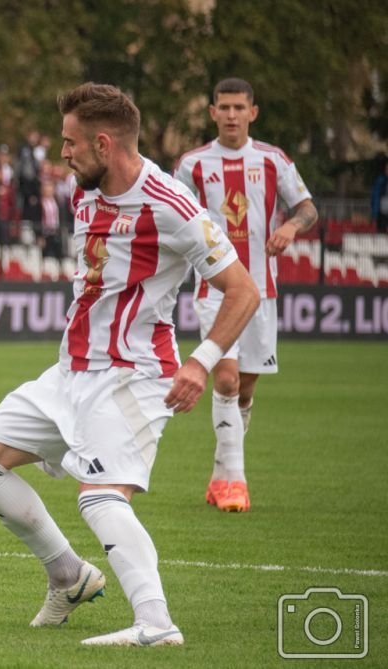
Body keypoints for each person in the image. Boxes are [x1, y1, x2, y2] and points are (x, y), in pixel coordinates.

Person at [0, 82, 258, 647]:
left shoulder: (172, 206)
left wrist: (201, 362)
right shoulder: (82, 192)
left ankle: (157, 625)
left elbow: (242, 290)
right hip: (69, 372)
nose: (61, 154)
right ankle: (68, 575)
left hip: (134, 376)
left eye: (69, 143)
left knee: (99, 498)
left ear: (102, 143)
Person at [174, 78, 317, 513]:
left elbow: (307, 207)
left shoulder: (273, 160)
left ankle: (220, 474)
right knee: (226, 379)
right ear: (212, 112)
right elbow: (173, 215)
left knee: (246, 390)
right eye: (224, 107)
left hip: (262, 291)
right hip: (214, 289)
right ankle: (236, 481)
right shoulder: (192, 165)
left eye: (239, 107)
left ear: (253, 112)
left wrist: (291, 227)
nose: (232, 114)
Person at [371, 157, 388, 233]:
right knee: (381, 229)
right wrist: (374, 215)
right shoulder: (380, 180)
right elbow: (375, 197)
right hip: (382, 210)